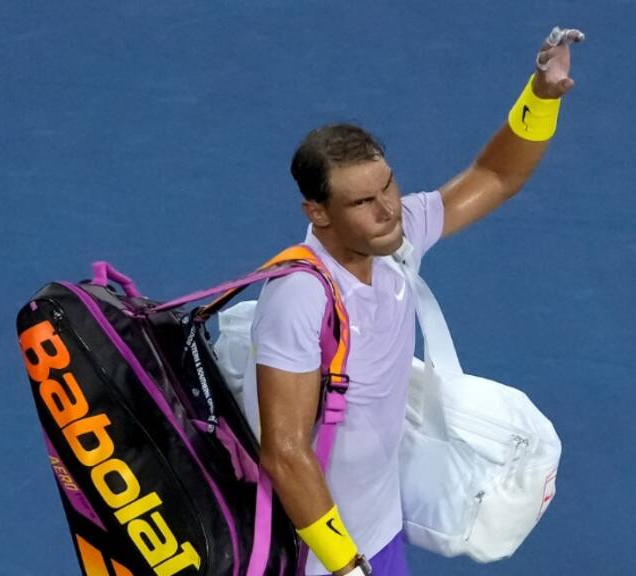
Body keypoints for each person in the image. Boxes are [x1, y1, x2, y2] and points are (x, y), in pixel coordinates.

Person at [241, 26, 585, 576]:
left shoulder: (394, 243)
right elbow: (283, 451)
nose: (388, 211)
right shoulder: (299, 297)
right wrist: (343, 564)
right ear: (318, 213)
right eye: (362, 202)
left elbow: (495, 175)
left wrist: (540, 97)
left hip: (378, 533)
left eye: (388, 187)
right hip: (314, 555)